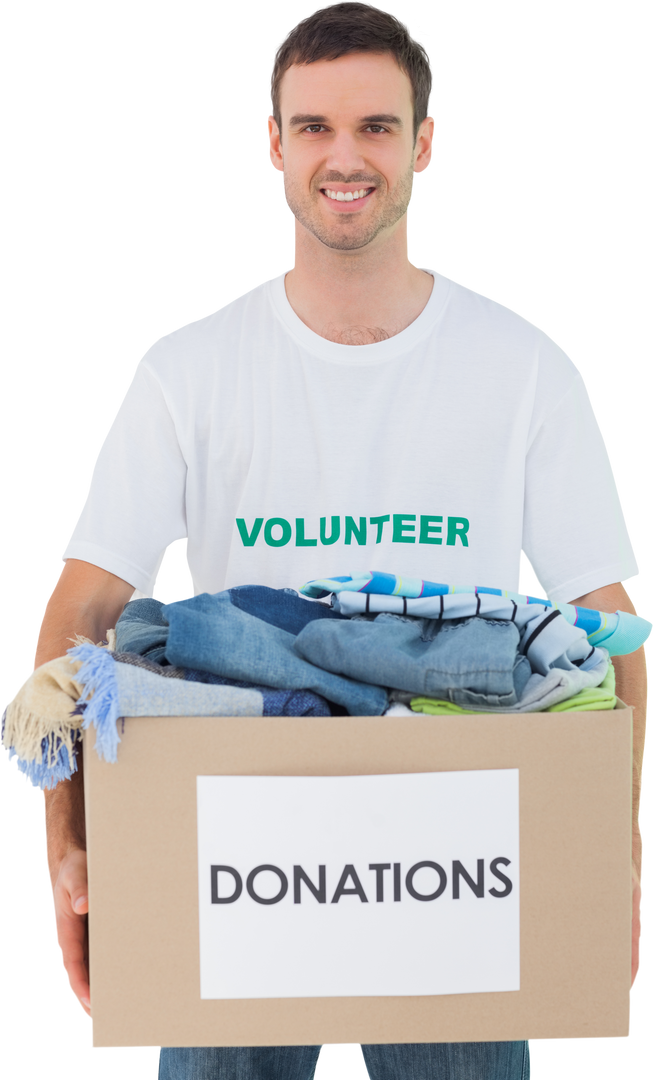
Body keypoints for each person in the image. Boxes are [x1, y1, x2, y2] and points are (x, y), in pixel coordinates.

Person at [33, 3, 645, 1077]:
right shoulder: (188, 368)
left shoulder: (523, 367)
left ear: (423, 143)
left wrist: (613, 842)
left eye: (373, 126)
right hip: (232, 826)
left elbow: (609, 629)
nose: (342, 157)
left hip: (461, 826)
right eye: (311, 127)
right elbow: (81, 608)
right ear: (272, 144)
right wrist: (70, 841)